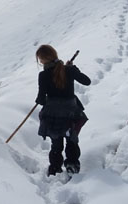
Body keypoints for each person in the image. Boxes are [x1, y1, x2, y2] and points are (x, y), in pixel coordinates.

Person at [35, 44, 90, 176]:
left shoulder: (43, 75)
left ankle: (55, 168)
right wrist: (73, 68)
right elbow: (86, 81)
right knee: (71, 139)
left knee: (56, 142)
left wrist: (39, 100)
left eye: (40, 59)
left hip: (53, 113)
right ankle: (72, 165)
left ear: (43, 60)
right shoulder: (68, 70)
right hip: (71, 111)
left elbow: (41, 99)